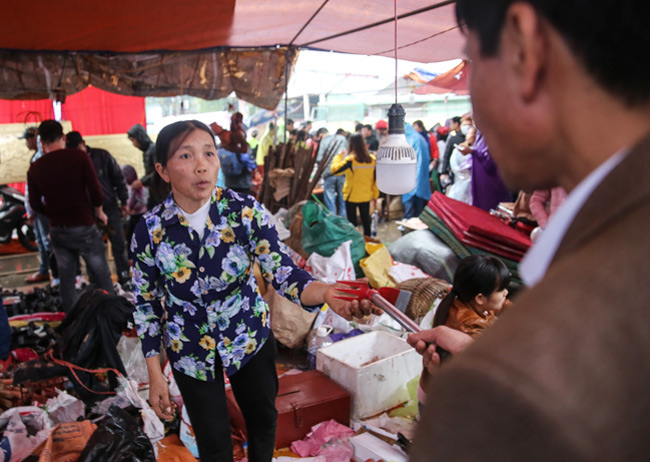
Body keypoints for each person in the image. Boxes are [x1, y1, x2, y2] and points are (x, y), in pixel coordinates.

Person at [408, 0, 650, 460]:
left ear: (523, 47)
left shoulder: (510, 388)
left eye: (474, 60)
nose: (473, 102)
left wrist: (470, 380)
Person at [130, 120, 375, 462]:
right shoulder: (150, 230)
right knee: (214, 444)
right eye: (186, 155)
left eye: (209, 153)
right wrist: (155, 374)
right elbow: (146, 305)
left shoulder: (243, 212)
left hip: (247, 334)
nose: (201, 165)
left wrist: (327, 293)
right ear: (163, 170)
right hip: (189, 347)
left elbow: (284, 272)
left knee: (263, 422)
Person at [27, 120, 114, 312]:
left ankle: (73, 324)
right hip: (83, 225)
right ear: (64, 137)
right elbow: (95, 191)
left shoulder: (36, 167)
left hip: (58, 229)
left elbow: (34, 205)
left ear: (41, 141)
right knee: (101, 274)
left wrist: (52, 213)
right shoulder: (79, 157)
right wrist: (99, 211)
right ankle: (113, 317)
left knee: (66, 279)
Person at [417, 255, 510, 404]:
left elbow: (503, 306)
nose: (506, 292)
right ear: (480, 298)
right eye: (501, 290)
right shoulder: (469, 325)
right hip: (441, 404)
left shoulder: (464, 300)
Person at [66, 131, 131, 288]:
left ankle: (124, 277)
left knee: (118, 244)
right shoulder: (71, 162)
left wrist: (123, 202)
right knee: (93, 248)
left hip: (109, 208)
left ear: (83, 143)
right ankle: (97, 282)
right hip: (87, 212)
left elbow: (118, 178)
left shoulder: (102, 156)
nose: (76, 153)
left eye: (77, 149)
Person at [20, 127, 58, 284]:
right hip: (41, 206)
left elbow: (37, 187)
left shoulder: (40, 158)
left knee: (48, 240)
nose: (26, 144)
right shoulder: (38, 157)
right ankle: (48, 271)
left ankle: (55, 275)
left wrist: (34, 208)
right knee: (43, 240)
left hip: (44, 207)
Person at [330, 133, 379, 236]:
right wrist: (375, 196)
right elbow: (376, 180)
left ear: (350, 144)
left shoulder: (350, 160)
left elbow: (334, 170)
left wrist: (339, 156)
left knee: (352, 223)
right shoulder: (372, 159)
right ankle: (367, 241)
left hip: (351, 196)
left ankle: (355, 242)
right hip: (366, 196)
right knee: (366, 221)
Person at [454, 130, 513, 211]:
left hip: (492, 183)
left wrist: (472, 151)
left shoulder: (494, 133)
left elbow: (490, 163)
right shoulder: (480, 134)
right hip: (480, 182)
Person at [128, 124, 163, 209]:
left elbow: (159, 172)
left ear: (139, 137)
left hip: (160, 192)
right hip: (154, 191)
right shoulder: (147, 151)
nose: (133, 144)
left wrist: (142, 182)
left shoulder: (153, 149)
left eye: (133, 140)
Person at [401, 123, 432, 219]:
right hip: (417, 176)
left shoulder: (414, 139)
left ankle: (408, 223)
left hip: (414, 176)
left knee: (410, 204)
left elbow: (419, 160)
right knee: (418, 205)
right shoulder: (417, 138)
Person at [316, 128, 348, 216]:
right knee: (343, 200)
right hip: (342, 173)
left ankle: (333, 223)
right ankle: (344, 223)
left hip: (329, 174)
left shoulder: (323, 142)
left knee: (330, 201)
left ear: (321, 135)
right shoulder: (342, 139)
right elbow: (346, 155)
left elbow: (319, 159)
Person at [445, 125, 477, 204]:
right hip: (461, 182)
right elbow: (453, 164)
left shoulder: (478, 150)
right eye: (468, 133)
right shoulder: (459, 149)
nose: (468, 135)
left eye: (470, 133)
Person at [121, 164, 148, 246]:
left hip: (139, 214)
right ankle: (131, 256)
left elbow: (142, 201)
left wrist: (133, 209)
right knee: (130, 236)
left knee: (138, 236)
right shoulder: (129, 187)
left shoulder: (137, 187)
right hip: (133, 216)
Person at [438, 116, 465, 181]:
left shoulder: (453, 139)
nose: (450, 126)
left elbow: (446, 155)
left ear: (456, 124)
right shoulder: (456, 138)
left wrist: (443, 172)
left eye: (451, 123)